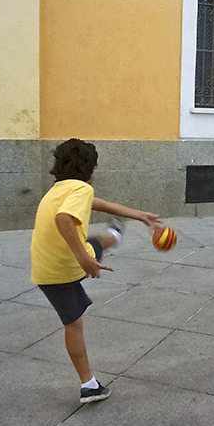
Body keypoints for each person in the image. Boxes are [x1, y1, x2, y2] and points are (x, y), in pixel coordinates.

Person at [31, 138, 160, 404]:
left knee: (73, 324)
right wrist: (83, 259)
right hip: (69, 265)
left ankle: (89, 385)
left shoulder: (57, 190)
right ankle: (115, 233)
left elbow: (95, 203)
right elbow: (63, 218)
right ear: (91, 171)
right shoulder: (81, 190)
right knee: (101, 242)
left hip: (45, 271)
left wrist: (138, 214)